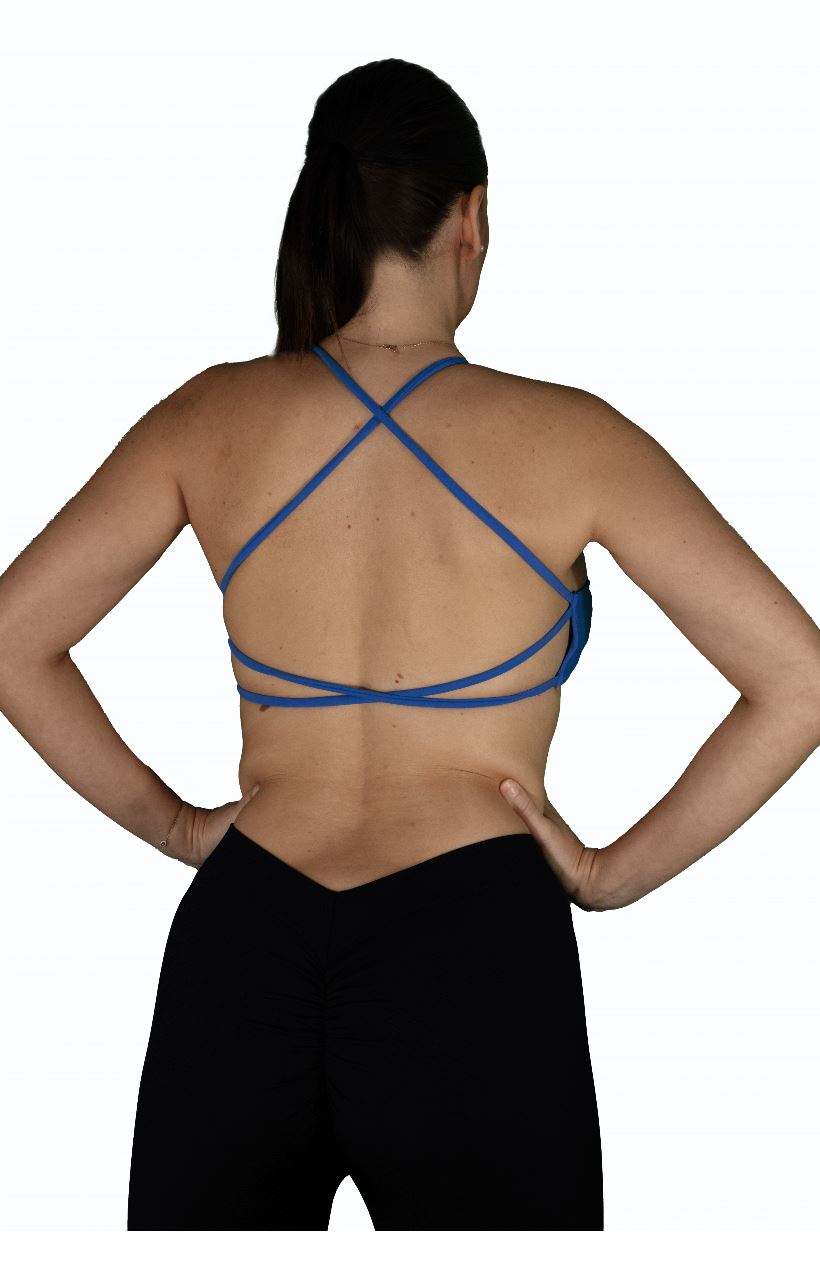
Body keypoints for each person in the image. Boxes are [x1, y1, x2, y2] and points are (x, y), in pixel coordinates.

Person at [0, 57, 818, 1232]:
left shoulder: (210, 415)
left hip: (248, 939)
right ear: (470, 214)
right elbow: (798, 678)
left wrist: (179, 827)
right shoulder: (574, 438)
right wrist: (608, 873)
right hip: (474, 943)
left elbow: (14, 638)